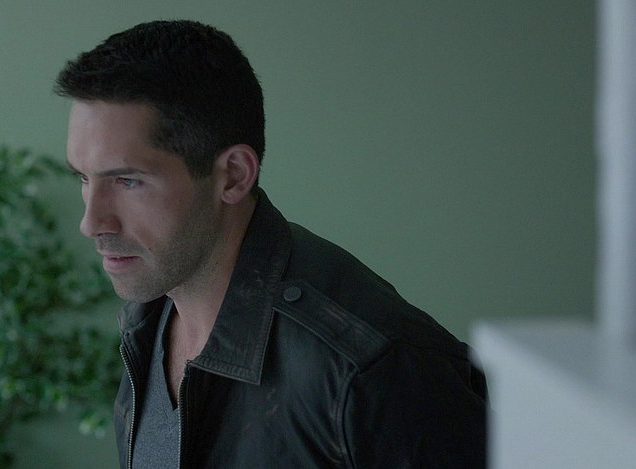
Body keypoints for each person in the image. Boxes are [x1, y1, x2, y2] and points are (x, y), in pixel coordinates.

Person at [55, 20, 487, 468]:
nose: (91, 222)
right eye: (84, 178)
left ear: (233, 176)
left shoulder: (371, 371)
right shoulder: (147, 319)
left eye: (127, 181)